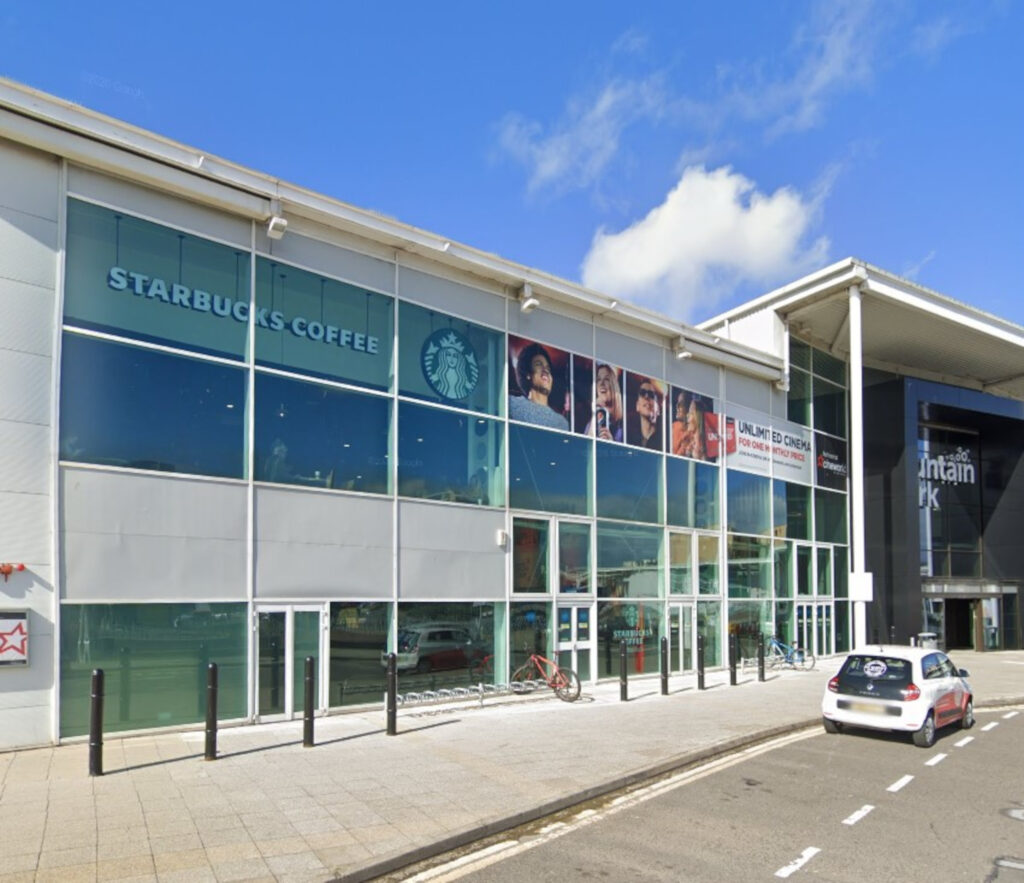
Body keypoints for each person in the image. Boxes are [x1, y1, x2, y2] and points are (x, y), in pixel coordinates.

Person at [509, 342, 569, 430]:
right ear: (528, 374)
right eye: (538, 364)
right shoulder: (512, 404)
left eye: (548, 368)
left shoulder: (561, 423)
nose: (545, 370)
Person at [584, 363, 624, 441]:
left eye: (606, 379)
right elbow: (586, 447)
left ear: (614, 386)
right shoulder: (591, 423)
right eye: (598, 380)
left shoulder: (623, 426)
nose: (601, 384)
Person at [627, 376, 663, 450]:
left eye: (651, 395)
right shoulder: (629, 438)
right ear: (637, 406)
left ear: (658, 408)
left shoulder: (664, 439)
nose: (646, 397)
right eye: (642, 393)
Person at [672, 390, 706, 460]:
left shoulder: (701, 446)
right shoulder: (674, 427)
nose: (677, 407)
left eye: (681, 404)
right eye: (677, 404)